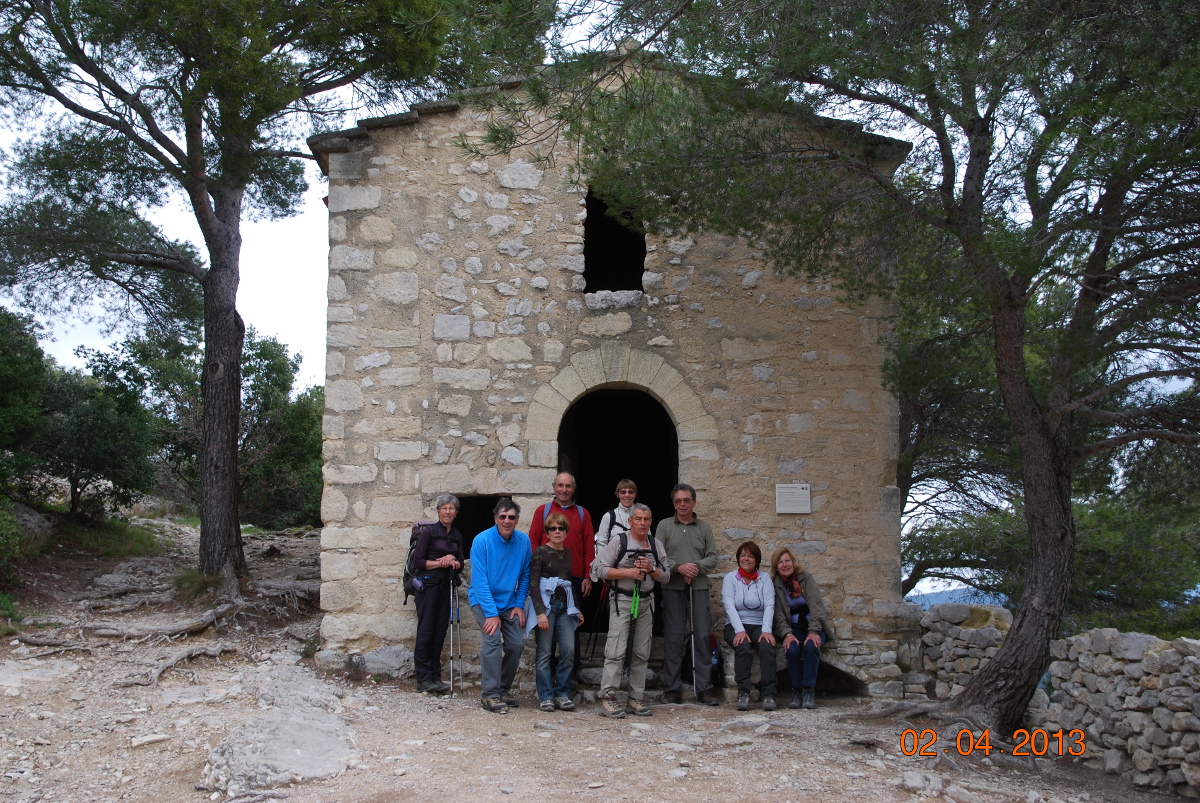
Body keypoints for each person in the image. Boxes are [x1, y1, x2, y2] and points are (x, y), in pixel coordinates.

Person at [593, 503, 669, 718]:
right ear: (630, 521)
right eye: (638, 519)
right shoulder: (620, 541)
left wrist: (651, 569)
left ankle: (636, 698)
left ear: (650, 522)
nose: (642, 523)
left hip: (646, 602)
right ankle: (609, 697)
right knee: (616, 649)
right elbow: (600, 570)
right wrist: (627, 572)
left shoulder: (656, 544)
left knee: (641, 651)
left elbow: (666, 575)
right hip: (623, 599)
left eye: (646, 519)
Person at [656, 483, 720, 706]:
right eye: (677, 501)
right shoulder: (664, 526)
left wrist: (695, 567)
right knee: (673, 638)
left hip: (699, 587)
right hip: (672, 587)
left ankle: (704, 687)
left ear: (693, 502)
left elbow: (712, 557)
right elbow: (659, 557)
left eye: (686, 500)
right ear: (673, 503)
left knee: (702, 635)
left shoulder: (704, 528)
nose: (682, 504)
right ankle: (671, 688)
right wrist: (678, 567)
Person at [468, 498, 531, 714]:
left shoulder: (524, 542)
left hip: (508, 602)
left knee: (516, 645)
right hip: (483, 600)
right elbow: (479, 580)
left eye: (511, 517)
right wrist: (491, 614)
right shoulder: (481, 540)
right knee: (493, 641)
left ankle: (502, 690)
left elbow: (524, 576)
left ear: (517, 520)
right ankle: (490, 695)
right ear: (495, 518)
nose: (507, 521)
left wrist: (519, 604)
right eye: (502, 517)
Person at [529, 472, 595, 677]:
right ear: (554, 487)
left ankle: (571, 674)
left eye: (568, 486)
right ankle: (547, 674)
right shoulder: (543, 511)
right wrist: (537, 570)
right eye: (560, 486)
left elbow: (588, 546)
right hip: (546, 580)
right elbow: (533, 541)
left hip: (572, 579)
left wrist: (587, 576)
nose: (563, 490)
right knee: (546, 627)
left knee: (571, 627)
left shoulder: (583, 514)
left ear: (573, 489)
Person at [411, 494, 465, 694]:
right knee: (426, 630)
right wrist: (441, 562)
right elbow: (418, 562)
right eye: (445, 508)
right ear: (439, 511)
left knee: (440, 630)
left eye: (452, 509)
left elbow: (459, 564)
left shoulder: (457, 535)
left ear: (456, 512)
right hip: (428, 587)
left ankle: (435, 677)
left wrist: (453, 561)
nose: (448, 512)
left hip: (446, 586)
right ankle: (423, 678)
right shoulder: (429, 532)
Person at [529, 512, 582, 712]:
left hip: (564, 606)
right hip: (547, 605)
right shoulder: (540, 552)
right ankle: (545, 696)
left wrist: (576, 607)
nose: (557, 532)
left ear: (566, 532)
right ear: (547, 532)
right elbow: (533, 584)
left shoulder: (567, 553)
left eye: (561, 528)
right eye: (553, 528)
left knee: (568, 649)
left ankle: (562, 692)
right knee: (544, 652)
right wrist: (540, 613)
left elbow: (568, 583)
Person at [770, 546, 830, 710]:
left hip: (812, 625)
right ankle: (796, 690)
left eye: (787, 560)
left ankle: (808, 690)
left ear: (793, 562)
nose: (784, 565)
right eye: (780, 562)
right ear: (776, 566)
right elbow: (777, 614)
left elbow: (817, 607)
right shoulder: (774, 584)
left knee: (812, 646)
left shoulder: (806, 578)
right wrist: (787, 634)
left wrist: (813, 632)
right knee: (792, 649)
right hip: (792, 628)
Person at [722, 540, 778, 711]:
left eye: (750, 556)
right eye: (743, 555)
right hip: (735, 624)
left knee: (767, 646)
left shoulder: (765, 578)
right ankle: (743, 693)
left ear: (756, 560)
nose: (746, 559)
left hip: (760, 623)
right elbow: (729, 605)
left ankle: (769, 695)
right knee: (743, 646)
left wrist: (767, 630)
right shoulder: (730, 578)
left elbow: (770, 604)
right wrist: (739, 631)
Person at [590, 479, 638, 579]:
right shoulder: (609, 517)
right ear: (617, 494)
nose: (627, 495)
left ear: (635, 494)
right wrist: (603, 568)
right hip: (613, 568)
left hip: (636, 566)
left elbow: (648, 541)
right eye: (623, 492)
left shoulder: (642, 516)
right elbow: (602, 544)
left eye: (631, 492)